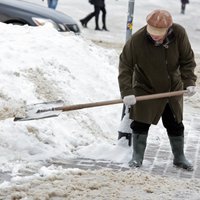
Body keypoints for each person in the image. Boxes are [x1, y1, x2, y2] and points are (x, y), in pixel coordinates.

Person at [118, 9, 197, 171]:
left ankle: (179, 157)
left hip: (171, 88)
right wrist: (127, 91)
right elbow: (125, 66)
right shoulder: (137, 41)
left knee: (175, 123)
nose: (154, 35)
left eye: (159, 33)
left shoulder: (179, 34)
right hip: (146, 87)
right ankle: (137, 157)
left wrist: (188, 81)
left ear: (169, 29)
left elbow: (187, 60)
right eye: (152, 31)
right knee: (140, 123)